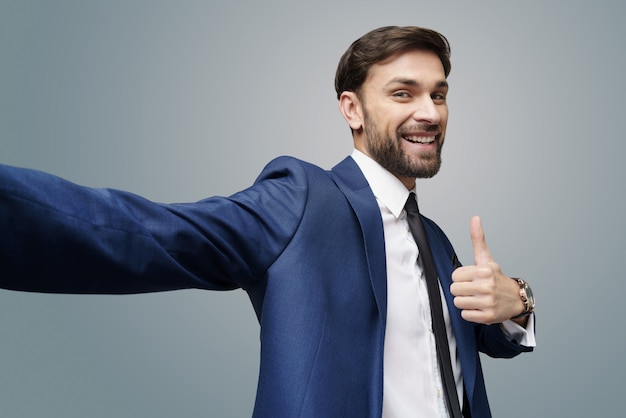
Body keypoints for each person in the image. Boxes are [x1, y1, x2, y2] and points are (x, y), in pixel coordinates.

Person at [0, 26, 535, 417]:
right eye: (403, 93)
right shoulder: (302, 200)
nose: (430, 112)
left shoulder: (438, 242)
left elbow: (469, 342)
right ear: (352, 109)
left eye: (438, 94)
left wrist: (518, 301)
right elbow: (150, 234)